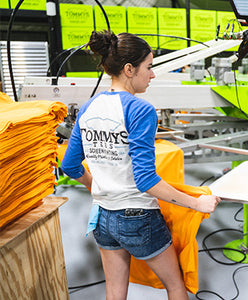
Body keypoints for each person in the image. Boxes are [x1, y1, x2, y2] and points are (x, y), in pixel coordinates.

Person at [61, 30, 221, 300]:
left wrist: (96, 186)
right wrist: (196, 204)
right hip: (137, 218)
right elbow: (146, 181)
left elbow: (69, 164)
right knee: (175, 285)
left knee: (114, 292)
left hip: (102, 217)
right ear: (128, 69)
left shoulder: (89, 107)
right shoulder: (140, 110)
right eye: (149, 67)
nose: (153, 74)